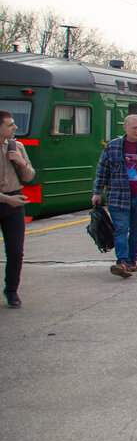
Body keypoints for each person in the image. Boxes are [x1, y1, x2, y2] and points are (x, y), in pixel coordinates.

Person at [92, 114, 137, 278]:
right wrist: (97, 192)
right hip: (117, 195)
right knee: (121, 229)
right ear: (125, 128)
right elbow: (102, 170)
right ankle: (122, 261)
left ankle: (132, 260)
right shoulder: (113, 147)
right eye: (134, 128)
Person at [0, 110, 35, 307]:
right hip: (6, 199)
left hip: (15, 201)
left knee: (15, 251)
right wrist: (6, 199)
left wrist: (21, 163)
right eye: (10, 124)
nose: (15, 127)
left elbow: (30, 176)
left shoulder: (17, 146)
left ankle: (11, 290)